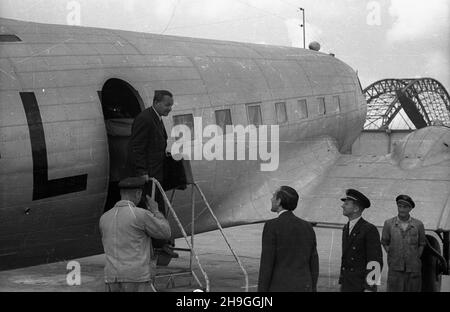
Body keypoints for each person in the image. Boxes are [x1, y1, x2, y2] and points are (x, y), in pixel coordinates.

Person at [125, 90, 177, 257]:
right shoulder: (145, 119)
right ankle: (159, 245)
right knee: (153, 209)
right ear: (156, 103)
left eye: (171, 105)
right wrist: (142, 171)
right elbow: (136, 147)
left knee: (157, 207)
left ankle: (162, 244)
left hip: (156, 174)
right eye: (167, 105)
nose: (170, 108)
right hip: (147, 176)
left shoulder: (156, 118)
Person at [99, 177, 171, 292]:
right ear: (138, 193)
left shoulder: (104, 217)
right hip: (135, 277)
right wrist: (156, 211)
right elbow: (165, 232)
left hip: (111, 276)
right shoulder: (140, 215)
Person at [258, 186, 319, 292]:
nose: (271, 199)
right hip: (304, 287)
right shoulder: (307, 227)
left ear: (279, 201)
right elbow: (314, 263)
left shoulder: (271, 226)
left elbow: (267, 265)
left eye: (273, 196)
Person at [339, 189, 383, 292]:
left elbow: (375, 261)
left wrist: (370, 287)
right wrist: (342, 281)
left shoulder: (369, 229)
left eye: (346, 203)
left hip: (361, 286)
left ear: (356, 209)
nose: (343, 206)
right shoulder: (346, 228)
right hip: (347, 284)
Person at [381, 195, 426, 292]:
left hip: (413, 269)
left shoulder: (418, 225)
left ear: (410, 208)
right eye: (399, 206)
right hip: (395, 268)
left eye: (405, 207)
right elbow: (384, 241)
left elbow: (422, 243)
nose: (401, 209)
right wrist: (392, 253)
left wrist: (416, 257)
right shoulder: (389, 223)